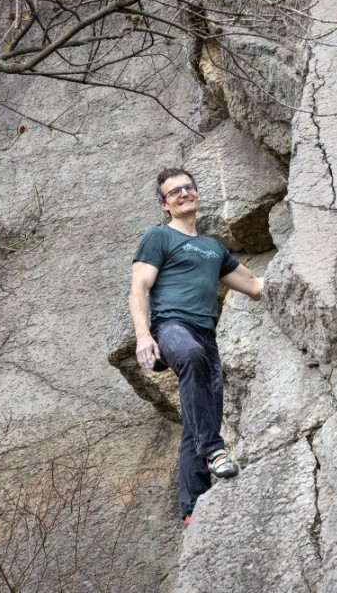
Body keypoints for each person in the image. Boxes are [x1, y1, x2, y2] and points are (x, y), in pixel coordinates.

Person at [129, 167, 263, 524]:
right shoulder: (159, 237)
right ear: (165, 205)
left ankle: (193, 509)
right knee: (190, 354)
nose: (184, 193)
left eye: (188, 187)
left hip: (206, 336)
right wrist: (143, 336)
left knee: (199, 416)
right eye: (174, 191)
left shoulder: (213, 248)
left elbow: (255, 286)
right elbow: (139, 288)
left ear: (197, 193)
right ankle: (215, 450)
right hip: (171, 326)